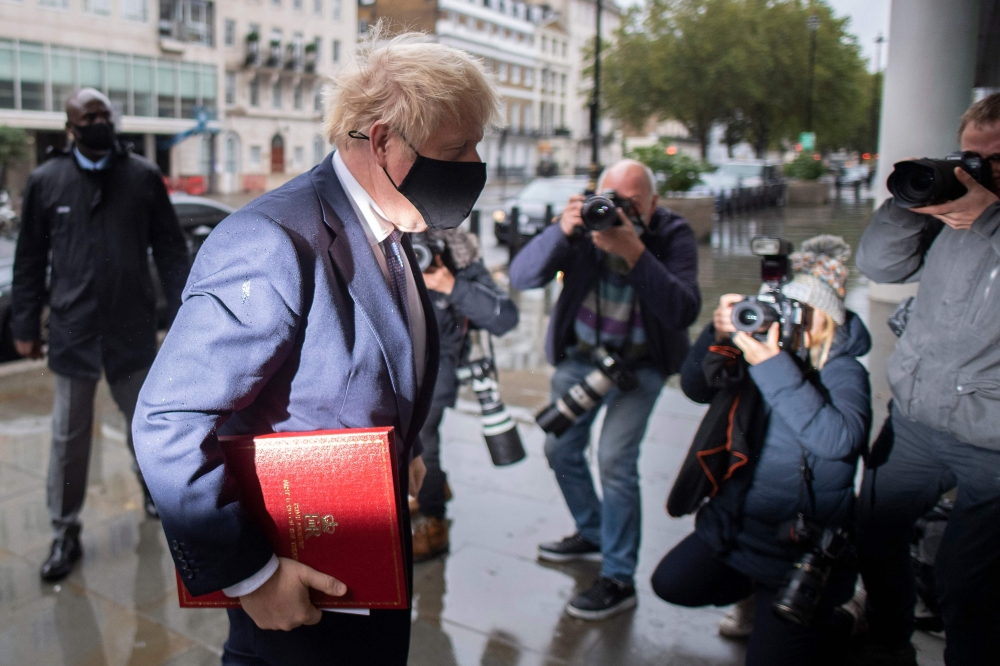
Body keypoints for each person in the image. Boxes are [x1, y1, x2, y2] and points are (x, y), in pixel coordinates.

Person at [131, 32, 500, 665]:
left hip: (367, 564)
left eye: (476, 145)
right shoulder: (272, 241)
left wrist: (399, 452)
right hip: (296, 598)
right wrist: (250, 575)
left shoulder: (391, 221)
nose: (472, 165)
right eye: (454, 148)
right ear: (382, 140)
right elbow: (168, 420)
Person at [653, 236, 871, 666]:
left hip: (800, 549)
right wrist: (716, 336)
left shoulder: (843, 369)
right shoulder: (763, 347)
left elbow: (839, 441)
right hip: (739, 526)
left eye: (801, 314)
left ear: (827, 318)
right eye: (784, 309)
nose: (788, 323)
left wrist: (773, 367)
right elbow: (696, 388)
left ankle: (835, 618)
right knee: (671, 583)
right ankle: (754, 597)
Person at [10, 88, 190, 583]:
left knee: (147, 425)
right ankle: (64, 530)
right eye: (87, 116)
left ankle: (153, 494)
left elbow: (171, 249)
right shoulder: (47, 181)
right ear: (70, 127)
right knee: (69, 439)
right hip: (73, 332)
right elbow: (28, 260)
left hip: (131, 330)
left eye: (104, 114)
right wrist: (25, 325)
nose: (98, 122)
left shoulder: (142, 177)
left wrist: (183, 309)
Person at [509, 159, 701, 620]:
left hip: (641, 366)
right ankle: (594, 530)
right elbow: (521, 278)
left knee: (615, 459)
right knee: (560, 449)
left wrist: (635, 251)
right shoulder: (582, 229)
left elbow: (682, 311)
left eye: (632, 203)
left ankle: (618, 576)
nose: (618, 211)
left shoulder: (672, 234)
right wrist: (562, 229)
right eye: (611, 199)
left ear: (654, 203)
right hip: (582, 359)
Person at [853, 92, 1000, 666]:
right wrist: (910, 199)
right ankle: (890, 647)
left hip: (992, 445)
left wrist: (988, 217)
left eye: (996, 159)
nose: (981, 169)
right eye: (971, 155)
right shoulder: (956, 205)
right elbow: (879, 267)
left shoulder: (984, 213)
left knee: (969, 588)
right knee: (873, 535)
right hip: (915, 419)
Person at [411, 227, 518, 561]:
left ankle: (434, 522)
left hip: (437, 368)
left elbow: (505, 318)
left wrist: (449, 285)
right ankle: (431, 489)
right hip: (392, 363)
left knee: (423, 440)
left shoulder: (455, 250)